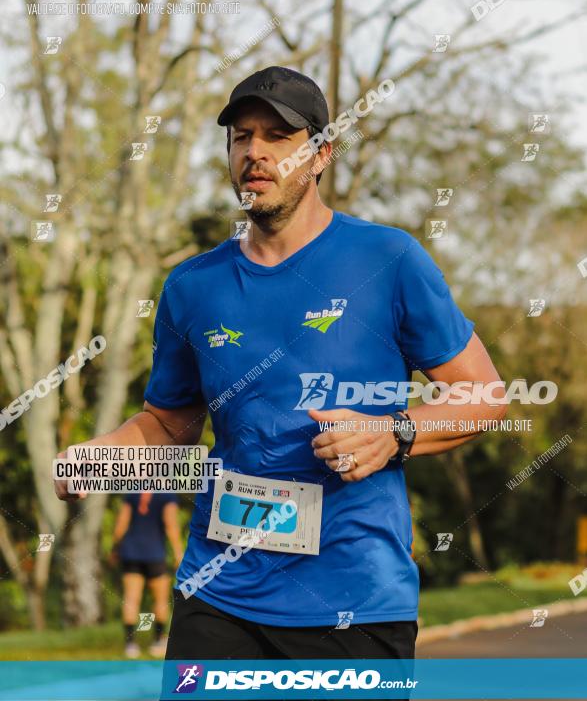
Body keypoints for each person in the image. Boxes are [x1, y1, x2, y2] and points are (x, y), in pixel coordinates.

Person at [56, 66, 506, 679]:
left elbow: (483, 396)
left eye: (277, 137)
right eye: (242, 137)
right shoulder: (193, 285)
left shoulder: (389, 259)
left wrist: (392, 433)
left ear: (321, 154)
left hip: (354, 602)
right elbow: (169, 423)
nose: (255, 152)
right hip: (217, 596)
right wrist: (95, 458)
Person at [111, 491, 183, 658]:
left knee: (131, 598)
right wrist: (178, 552)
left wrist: (115, 549)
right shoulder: (167, 494)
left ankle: (130, 645)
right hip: (155, 553)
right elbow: (170, 523)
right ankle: (158, 642)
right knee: (160, 600)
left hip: (130, 552)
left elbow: (122, 522)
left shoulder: (133, 492)